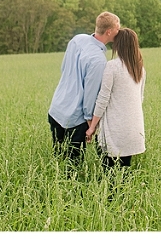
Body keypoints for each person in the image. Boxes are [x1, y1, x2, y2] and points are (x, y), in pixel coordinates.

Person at [48, 11, 120, 161]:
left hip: (56, 108)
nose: (119, 32)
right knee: (73, 165)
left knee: (58, 159)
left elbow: (64, 68)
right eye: (117, 29)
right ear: (109, 31)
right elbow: (90, 94)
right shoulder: (98, 60)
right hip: (74, 119)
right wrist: (90, 122)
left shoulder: (77, 39)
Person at [86, 28, 146, 171]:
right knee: (124, 172)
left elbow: (103, 99)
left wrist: (92, 127)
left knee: (108, 173)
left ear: (118, 45)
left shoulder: (112, 66)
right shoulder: (140, 69)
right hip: (133, 130)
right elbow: (140, 98)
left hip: (115, 132)